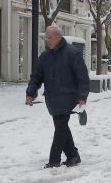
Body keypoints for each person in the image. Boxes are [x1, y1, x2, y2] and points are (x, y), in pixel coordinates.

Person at [26, 25, 90, 168]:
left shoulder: (72, 54)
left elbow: (83, 77)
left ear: (59, 37)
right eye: (46, 37)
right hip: (53, 99)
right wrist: (30, 93)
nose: (47, 40)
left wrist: (82, 96)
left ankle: (54, 161)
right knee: (62, 127)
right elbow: (36, 77)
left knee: (60, 128)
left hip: (68, 98)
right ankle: (73, 155)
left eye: (50, 37)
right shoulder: (45, 56)